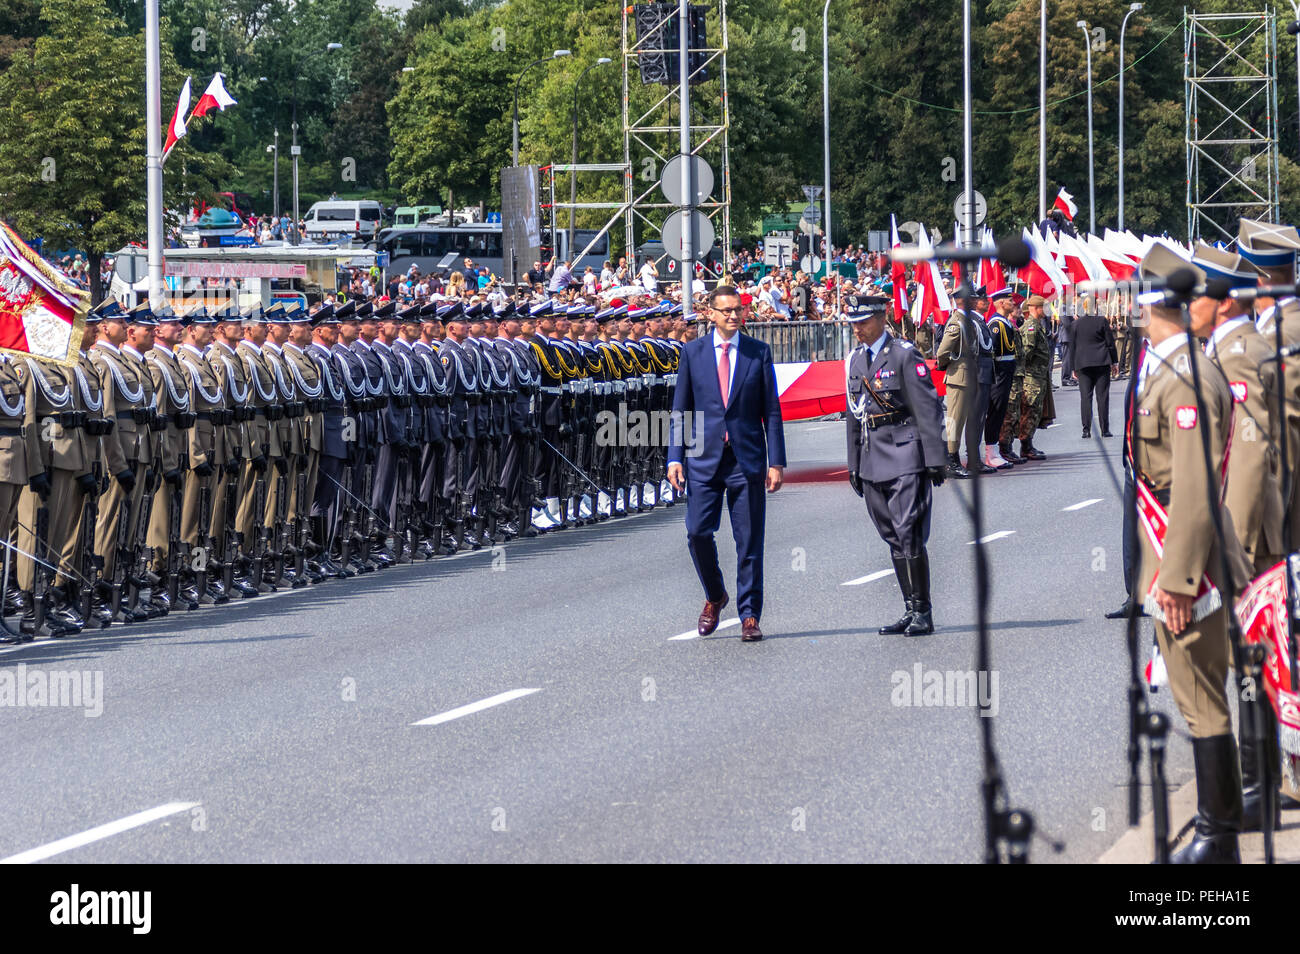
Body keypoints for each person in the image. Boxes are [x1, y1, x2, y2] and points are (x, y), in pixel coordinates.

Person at [1132, 242, 1252, 863]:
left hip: (1193, 566)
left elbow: (1196, 486)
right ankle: (1218, 829)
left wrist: (1177, 580)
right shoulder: (1168, 365)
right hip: (1178, 554)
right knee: (1196, 693)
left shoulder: (1187, 377)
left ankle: (1217, 836)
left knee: (1201, 697)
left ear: (1148, 299)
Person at [667, 285, 785, 642]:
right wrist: (675, 457)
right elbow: (681, 409)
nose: (734, 316)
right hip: (703, 460)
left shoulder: (757, 353)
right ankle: (715, 595)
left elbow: (772, 411)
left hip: (746, 461)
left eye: (739, 310)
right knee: (697, 532)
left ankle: (750, 615)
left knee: (748, 541)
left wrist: (776, 461)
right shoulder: (693, 352)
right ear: (711, 314)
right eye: (727, 311)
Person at [843, 295, 947, 636]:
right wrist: (853, 463)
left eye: (865, 321)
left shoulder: (903, 354)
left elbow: (927, 406)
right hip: (872, 456)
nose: (858, 328)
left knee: (908, 532)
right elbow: (853, 416)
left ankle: (923, 610)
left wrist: (934, 457)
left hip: (905, 452)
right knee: (890, 533)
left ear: (882, 317)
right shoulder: (855, 360)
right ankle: (908, 608)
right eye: (854, 322)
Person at [1068, 295, 1118, 438]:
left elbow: (1072, 347)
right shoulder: (1102, 321)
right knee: (1102, 397)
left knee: (1085, 397)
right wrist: (1114, 362)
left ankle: (1086, 430)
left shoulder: (1075, 324)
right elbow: (1110, 343)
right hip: (1101, 362)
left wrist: (1073, 367)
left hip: (1082, 364)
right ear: (1095, 307)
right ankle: (1105, 429)